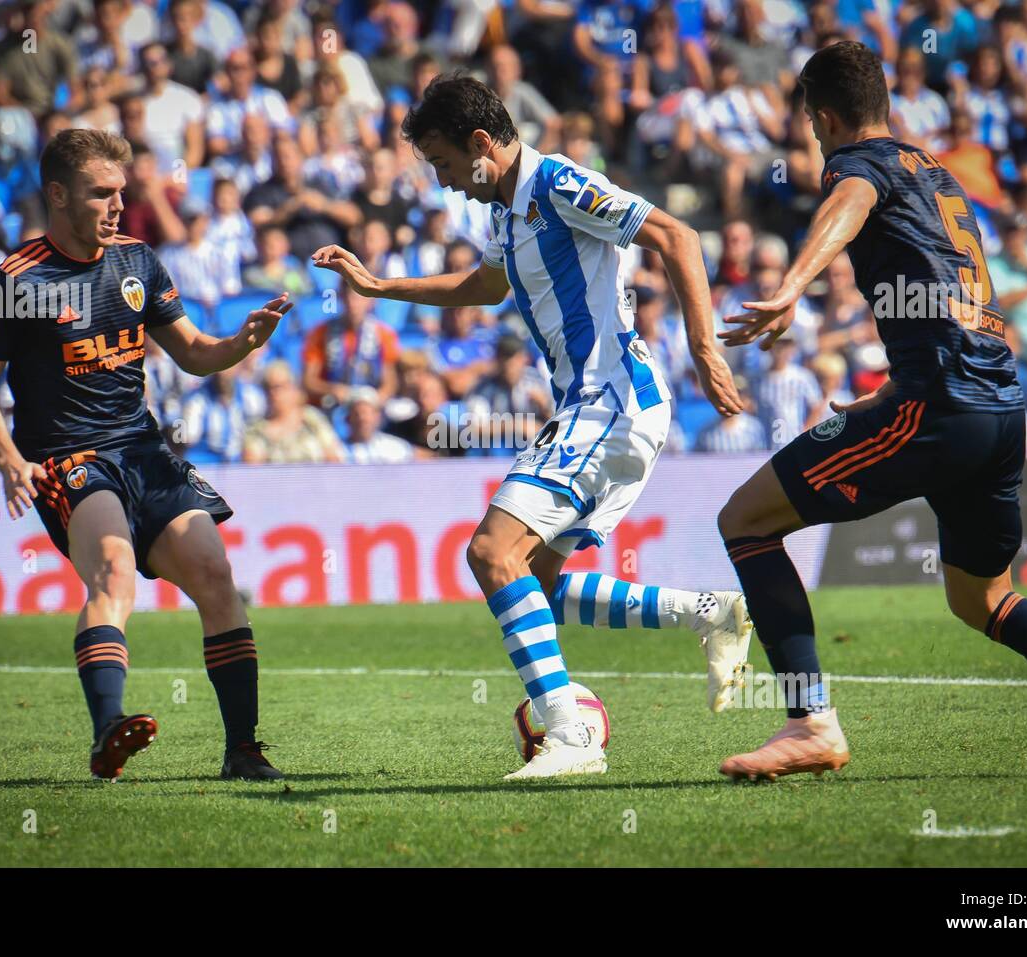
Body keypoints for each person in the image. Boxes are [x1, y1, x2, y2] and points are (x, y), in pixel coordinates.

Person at [314, 74, 751, 780]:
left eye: (446, 164)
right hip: (595, 406)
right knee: (531, 581)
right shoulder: (505, 208)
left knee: (491, 553)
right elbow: (487, 286)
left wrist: (704, 348)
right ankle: (707, 612)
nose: (446, 182)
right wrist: (380, 286)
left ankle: (571, 736)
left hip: (609, 401)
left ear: (481, 143)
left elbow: (676, 234)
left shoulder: (557, 184)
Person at [717, 41, 1027, 780]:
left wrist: (791, 286)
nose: (813, 138)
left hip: (938, 408)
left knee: (744, 521)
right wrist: (889, 392)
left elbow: (848, 204)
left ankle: (810, 720)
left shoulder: (856, 165)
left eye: (813, 126)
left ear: (825, 115)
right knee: (986, 599)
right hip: (1000, 409)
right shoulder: (933, 170)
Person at [0, 129, 294, 783]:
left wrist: (242, 342)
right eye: (101, 193)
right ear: (57, 194)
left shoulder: (139, 261)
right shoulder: (16, 279)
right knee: (113, 570)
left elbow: (196, 352)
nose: (118, 205)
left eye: (121, 192)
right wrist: (7, 457)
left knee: (213, 572)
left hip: (143, 451)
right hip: (68, 458)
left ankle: (244, 751)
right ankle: (109, 728)